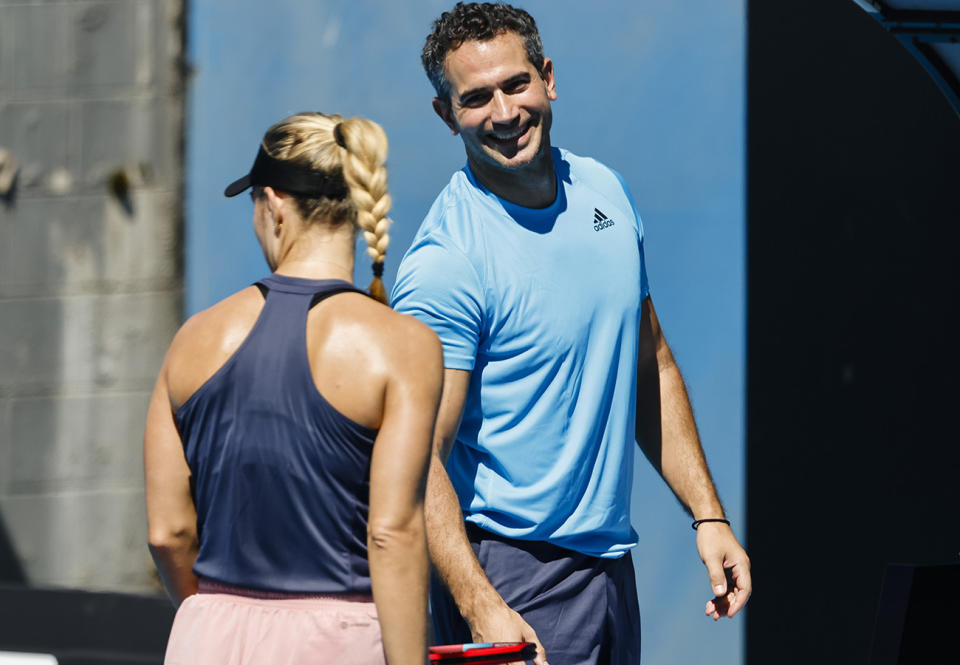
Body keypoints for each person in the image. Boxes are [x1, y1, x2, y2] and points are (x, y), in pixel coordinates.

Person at [391, 4, 752, 665]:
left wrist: (709, 515)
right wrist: (480, 602)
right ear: (447, 115)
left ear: (548, 78)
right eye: (475, 98)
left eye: (515, 84)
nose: (503, 113)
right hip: (510, 571)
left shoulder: (605, 194)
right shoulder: (448, 262)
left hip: (610, 565)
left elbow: (652, 365)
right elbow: (417, 461)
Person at [144, 112, 442, 665]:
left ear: (274, 205)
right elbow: (393, 533)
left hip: (208, 639)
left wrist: (214, 618)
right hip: (342, 639)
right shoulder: (403, 345)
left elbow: (167, 533)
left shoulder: (193, 340)